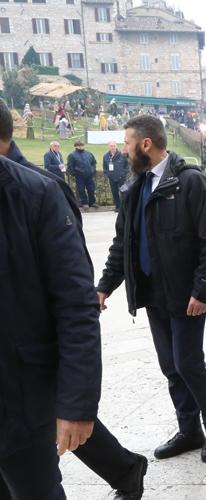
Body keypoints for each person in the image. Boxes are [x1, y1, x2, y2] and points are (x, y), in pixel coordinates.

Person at [0, 101, 147, 500]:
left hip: (31, 367)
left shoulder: (39, 189)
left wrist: (77, 398)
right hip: (29, 371)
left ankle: (126, 469)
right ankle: (126, 469)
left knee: (59, 439)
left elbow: (73, 295)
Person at [97, 115, 206, 464]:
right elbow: (123, 243)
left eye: (127, 143)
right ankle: (189, 431)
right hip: (153, 292)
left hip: (186, 294)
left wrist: (202, 290)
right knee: (170, 366)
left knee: (188, 364)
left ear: (146, 144)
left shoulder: (190, 182)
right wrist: (104, 287)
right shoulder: (134, 187)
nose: (123, 150)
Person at [67, 140, 98, 209]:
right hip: (79, 176)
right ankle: (84, 203)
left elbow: (93, 163)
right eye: (79, 145)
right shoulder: (72, 155)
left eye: (82, 145)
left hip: (89, 176)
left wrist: (93, 171)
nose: (80, 147)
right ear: (75, 146)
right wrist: (75, 174)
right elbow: (70, 166)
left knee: (91, 189)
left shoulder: (89, 153)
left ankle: (92, 202)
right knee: (81, 190)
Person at [103, 141, 129, 212]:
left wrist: (123, 173)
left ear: (116, 146)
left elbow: (127, 165)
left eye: (114, 146)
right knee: (114, 193)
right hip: (112, 178)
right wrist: (108, 174)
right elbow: (105, 167)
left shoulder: (122, 154)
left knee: (123, 192)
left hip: (121, 178)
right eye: (111, 146)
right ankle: (118, 207)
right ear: (108, 147)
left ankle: (124, 207)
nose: (113, 147)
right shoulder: (106, 156)